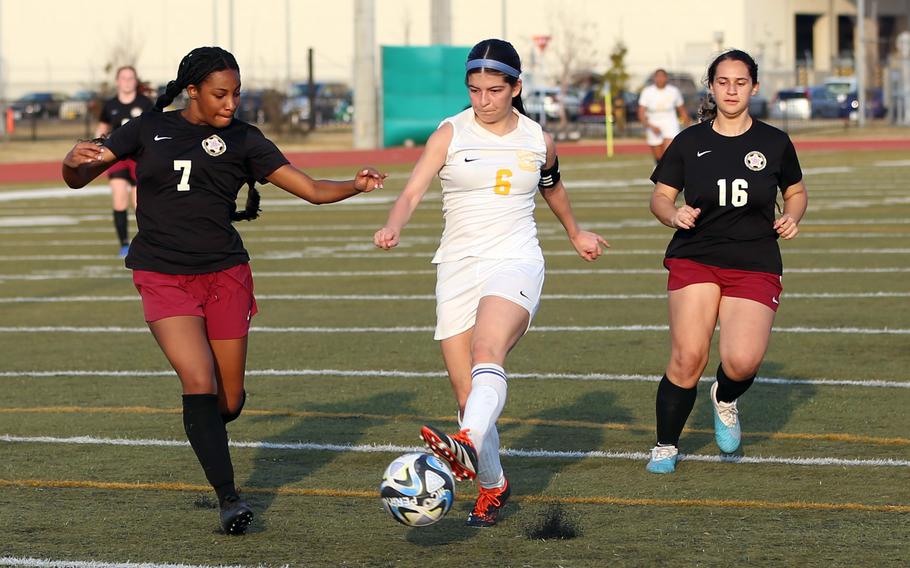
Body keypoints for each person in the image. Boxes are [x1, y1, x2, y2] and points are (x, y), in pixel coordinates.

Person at [62, 46, 386, 534]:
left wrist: (355, 185)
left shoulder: (245, 140)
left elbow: (313, 190)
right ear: (192, 90)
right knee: (199, 381)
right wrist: (72, 161)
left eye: (236, 93)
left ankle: (206, 428)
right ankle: (229, 498)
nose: (230, 103)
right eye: (220, 94)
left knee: (229, 400)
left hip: (225, 274)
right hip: (162, 274)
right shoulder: (148, 128)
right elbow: (78, 177)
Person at [374, 39, 609, 526]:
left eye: (494, 90)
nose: (483, 100)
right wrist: (395, 224)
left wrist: (575, 231)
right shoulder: (450, 133)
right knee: (469, 400)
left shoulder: (537, 139)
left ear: (516, 87)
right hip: (457, 266)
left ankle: (463, 444)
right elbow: (413, 189)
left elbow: (553, 185)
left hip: (516, 258)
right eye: (475, 89)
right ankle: (492, 485)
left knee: (487, 351)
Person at [645, 49, 808, 474]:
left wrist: (792, 215)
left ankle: (726, 396)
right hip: (696, 257)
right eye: (723, 82)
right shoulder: (689, 141)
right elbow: (661, 197)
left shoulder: (775, 142)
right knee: (688, 355)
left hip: (755, 259)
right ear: (711, 87)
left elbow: (796, 191)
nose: (731, 90)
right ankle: (666, 445)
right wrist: (672, 214)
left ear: (754, 87)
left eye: (740, 82)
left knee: (742, 361)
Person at [95, 66, 155, 257]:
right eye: (124, 78)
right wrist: (98, 144)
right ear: (117, 81)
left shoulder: (145, 104)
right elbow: (102, 127)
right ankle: (124, 244)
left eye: (131, 78)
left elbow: (155, 127)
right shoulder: (110, 105)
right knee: (119, 197)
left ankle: (146, 241)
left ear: (135, 81)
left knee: (139, 202)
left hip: (140, 157)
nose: (127, 81)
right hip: (117, 157)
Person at [637, 69, 690, 164]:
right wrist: (650, 126)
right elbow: (641, 112)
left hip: (670, 122)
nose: (660, 79)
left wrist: (689, 128)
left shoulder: (674, 91)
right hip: (653, 124)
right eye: (658, 77)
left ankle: (669, 174)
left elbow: (681, 110)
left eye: (662, 77)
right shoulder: (647, 92)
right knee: (659, 156)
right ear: (654, 78)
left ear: (666, 78)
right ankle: (658, 168)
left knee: (669, 152)